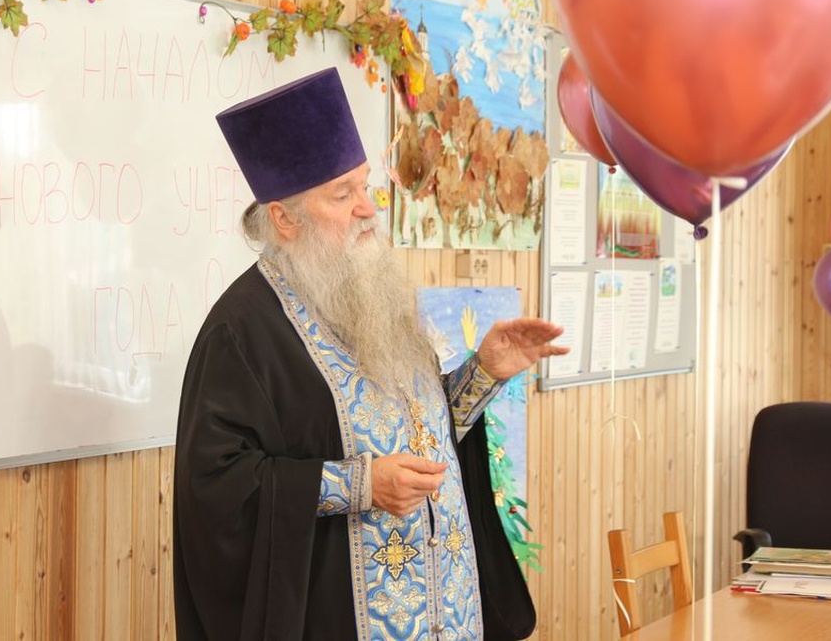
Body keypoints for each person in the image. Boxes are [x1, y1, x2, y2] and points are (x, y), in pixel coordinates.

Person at [173, 67, 570, 641]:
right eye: (343, 195)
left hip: (448, 615)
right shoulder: (241, 332)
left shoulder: (372, 290)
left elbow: (418, 431)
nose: (368, 208)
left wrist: (483, 374)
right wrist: (359, 486)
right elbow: (217, 488)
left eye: (365, 186)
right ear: (284, 218)